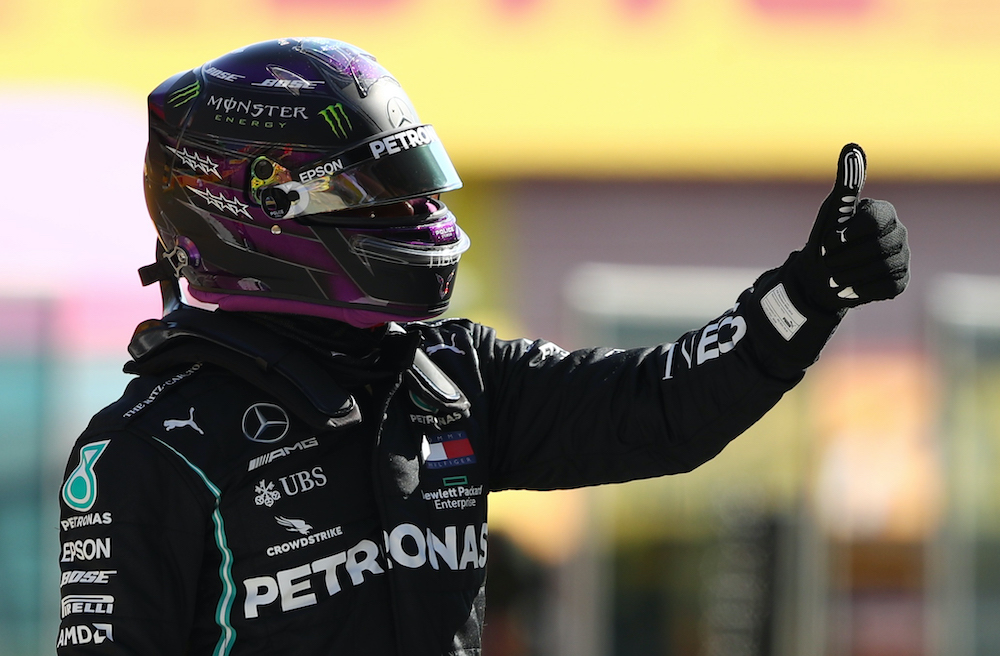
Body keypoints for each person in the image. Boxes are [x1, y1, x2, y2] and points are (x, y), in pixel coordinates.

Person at [55, 37, 909, 655]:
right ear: (254, 213)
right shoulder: (150, 447)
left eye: (412, 188)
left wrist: (811, 292)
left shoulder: (448, 375)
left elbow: (660, 410)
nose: (418, 221)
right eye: (373, 195)